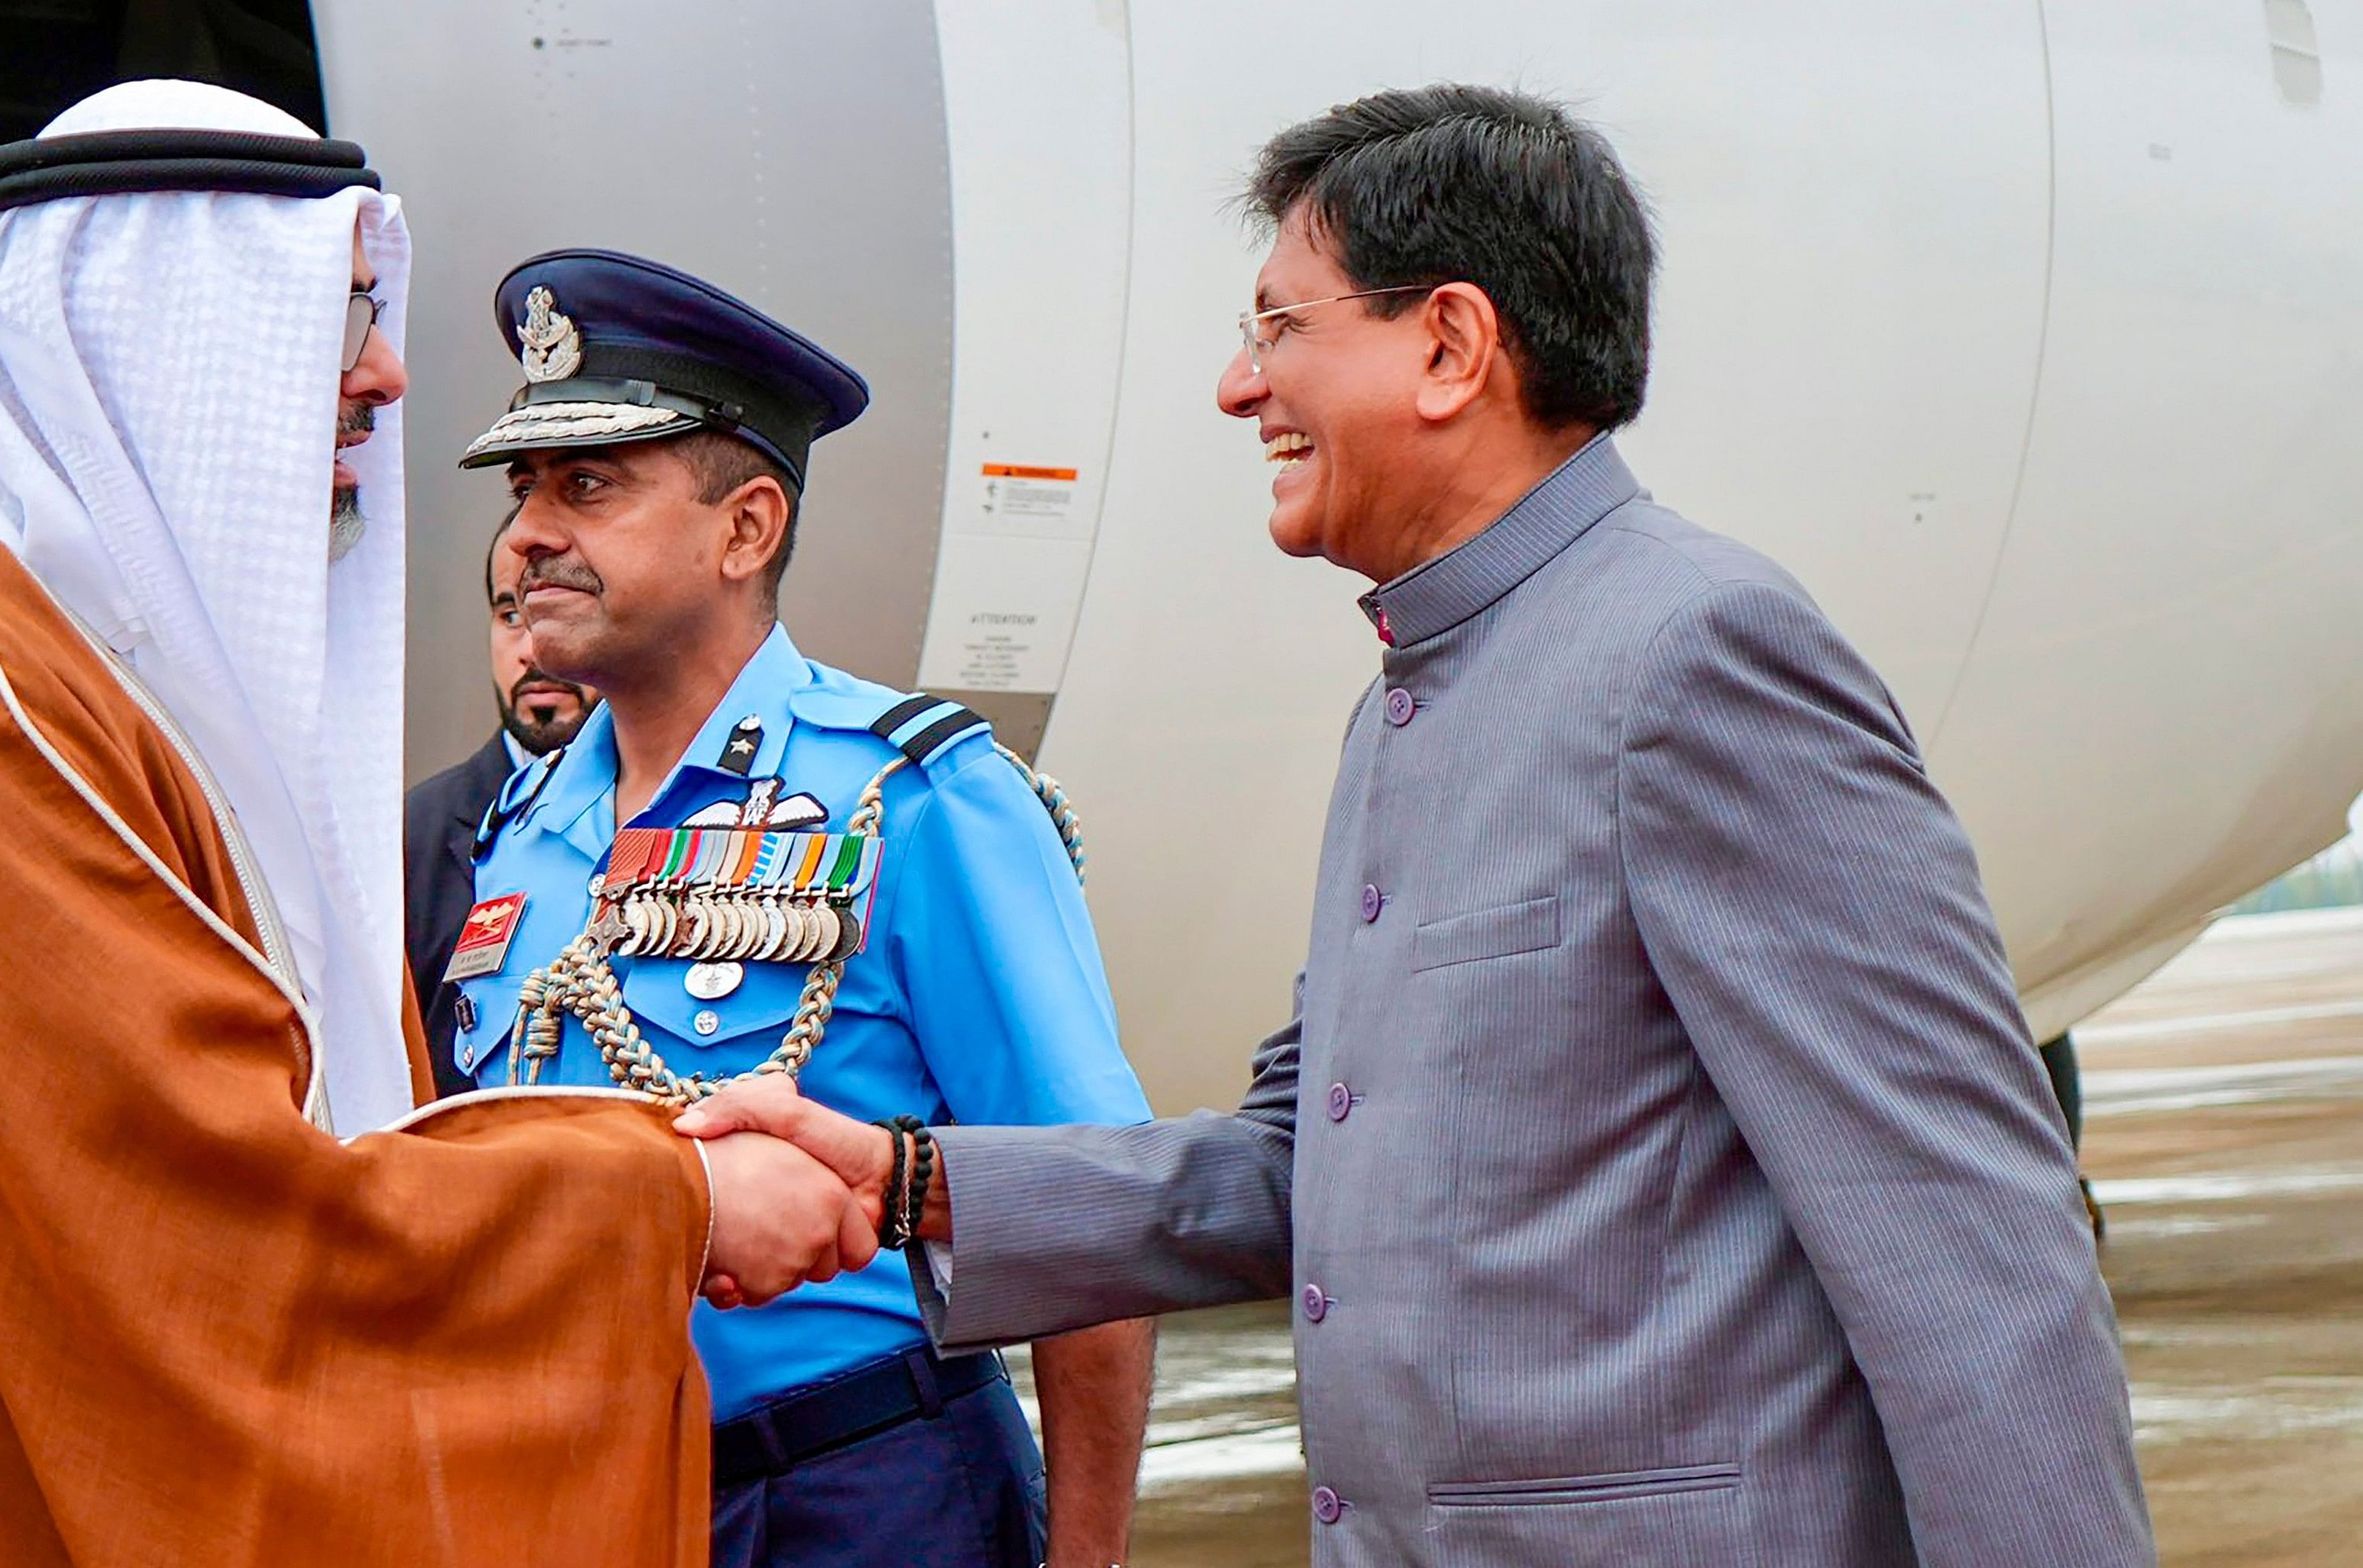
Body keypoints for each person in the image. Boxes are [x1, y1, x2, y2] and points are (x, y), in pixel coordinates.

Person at [681, 85, 2155, 1567]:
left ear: (1449, 345)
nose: (1238, 387)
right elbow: (1302, 1163)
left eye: (1278, 328)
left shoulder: (1696, 658)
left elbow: (1959, 1242)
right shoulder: (1412, 707)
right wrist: (916, 1181)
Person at [0, 82, 866, 1568]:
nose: (382, 374)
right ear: (173, 334)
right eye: (336, 314)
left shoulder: (61, 657)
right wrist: (666, 1195)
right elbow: (196, 1229)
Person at [447, 249, 1154, 1568]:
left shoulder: (916, 795)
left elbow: (1087, 1210)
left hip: (855, 1494)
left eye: (588, 484)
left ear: (746, 528)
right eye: (523, 489)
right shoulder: (520, 832)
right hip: (585, 1498)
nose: (529, 530)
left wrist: (1089, 1555)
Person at [405, 518, 600, 1093]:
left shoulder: (695, 813)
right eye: (510, 614)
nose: (532, 649)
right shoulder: (409, 841)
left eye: (559, 607)